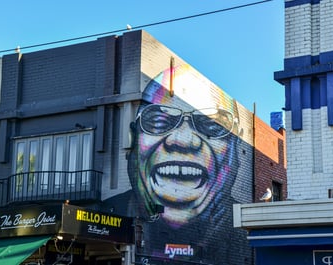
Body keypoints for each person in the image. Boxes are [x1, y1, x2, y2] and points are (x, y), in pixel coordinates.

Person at [103, 64, 247, 264]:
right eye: (159, 121)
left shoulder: (251, 231)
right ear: (133, 138)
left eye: (212, 125)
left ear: (236, 145)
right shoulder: (104, 213)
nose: (183, 140)